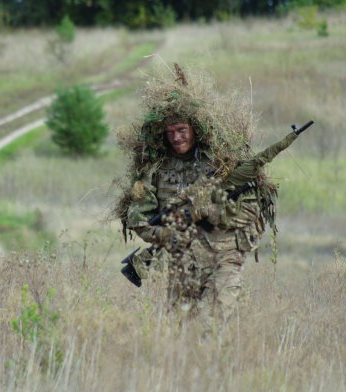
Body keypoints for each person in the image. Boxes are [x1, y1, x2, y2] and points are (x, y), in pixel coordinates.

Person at [116, 64, 277, 326]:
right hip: (182, 262)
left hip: (223, 257)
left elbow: (250, 212)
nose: (177, 138)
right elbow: (138, 219)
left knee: (214, 323)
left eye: (182, 131)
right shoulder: (155, 171)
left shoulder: (222, 164)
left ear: (195, 129)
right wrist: (169, 235)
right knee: (181, 328)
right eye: (170, 134)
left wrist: (212, 211)